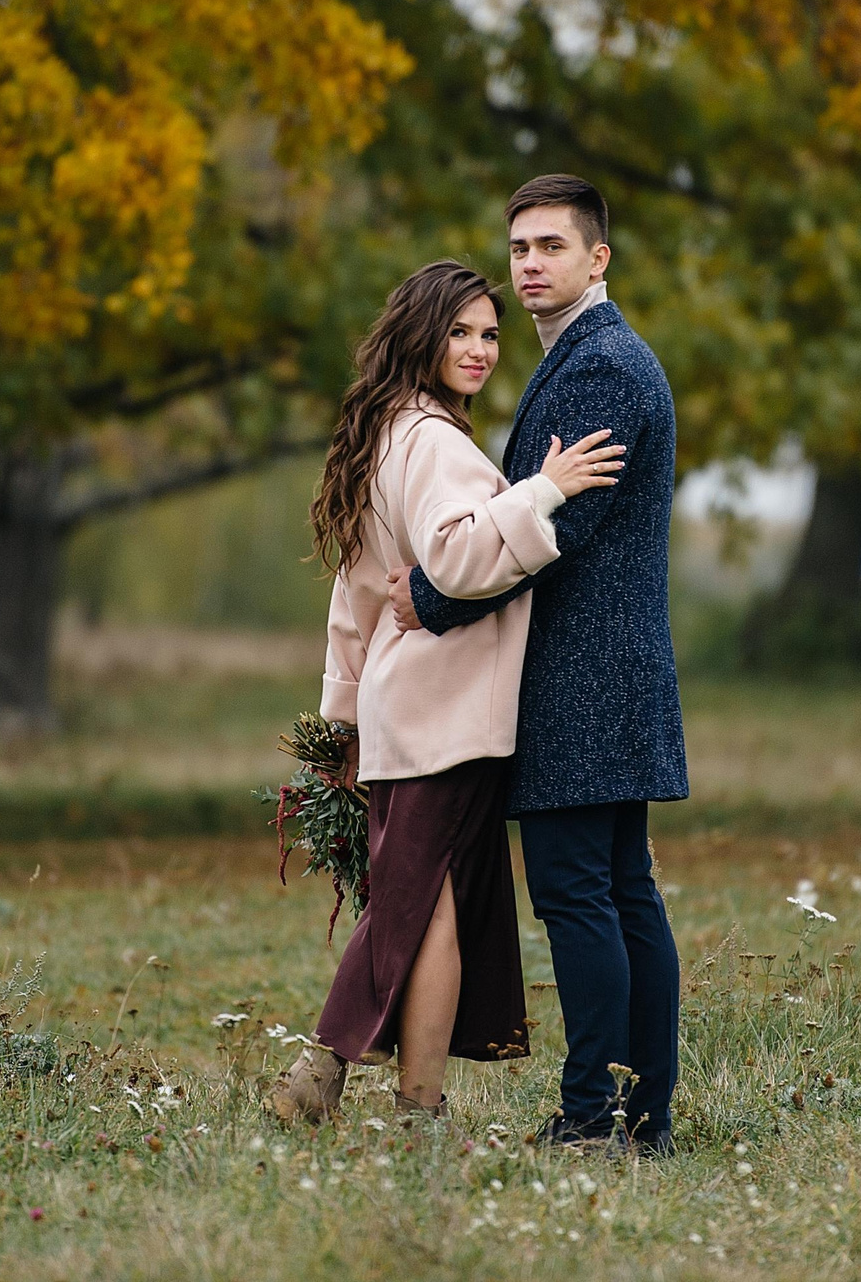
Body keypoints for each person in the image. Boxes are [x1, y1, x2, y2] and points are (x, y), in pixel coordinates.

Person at [267, 261, 625, 1124]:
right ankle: (378, 1094)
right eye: (459, 331)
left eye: (489, 334)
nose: (478, 349)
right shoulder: (433, 442)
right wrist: (547, 490)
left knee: (423, 900)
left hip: (404, 709)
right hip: (448, 713)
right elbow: (459, 561)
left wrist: (343, 719)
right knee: (424, 906)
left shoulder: (386, 429)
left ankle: (362, 1089)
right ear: (420, 335)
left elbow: (351, 599)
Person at [390, 174, 689, 1151]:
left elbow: (557, 520)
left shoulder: (601, 366)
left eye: (550, 247)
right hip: (610, 669)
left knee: (581, 895)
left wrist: (426, 598)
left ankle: (596, 1115)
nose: (528, 264)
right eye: (519, 247)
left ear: (596, 258)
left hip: (583, 675)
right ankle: (639, 1119)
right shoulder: (594, 356)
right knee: (620, 889)